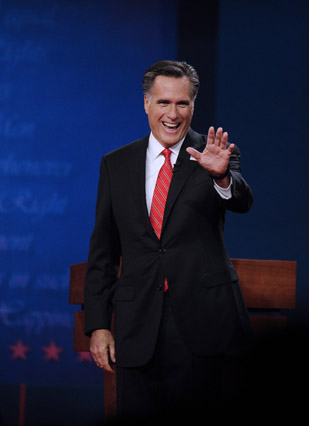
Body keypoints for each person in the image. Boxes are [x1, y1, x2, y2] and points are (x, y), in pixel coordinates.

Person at [84, 60, 253, 421]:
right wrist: (99, 325)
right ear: (146, 103)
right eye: (163, 103)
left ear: (193, 105)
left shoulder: (215, 155)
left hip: (201, 323)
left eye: (182, 104)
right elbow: (103, 252)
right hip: (136, 324)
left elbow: (241, 200)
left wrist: (222, 178)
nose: (172, 114)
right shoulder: (116, 164)